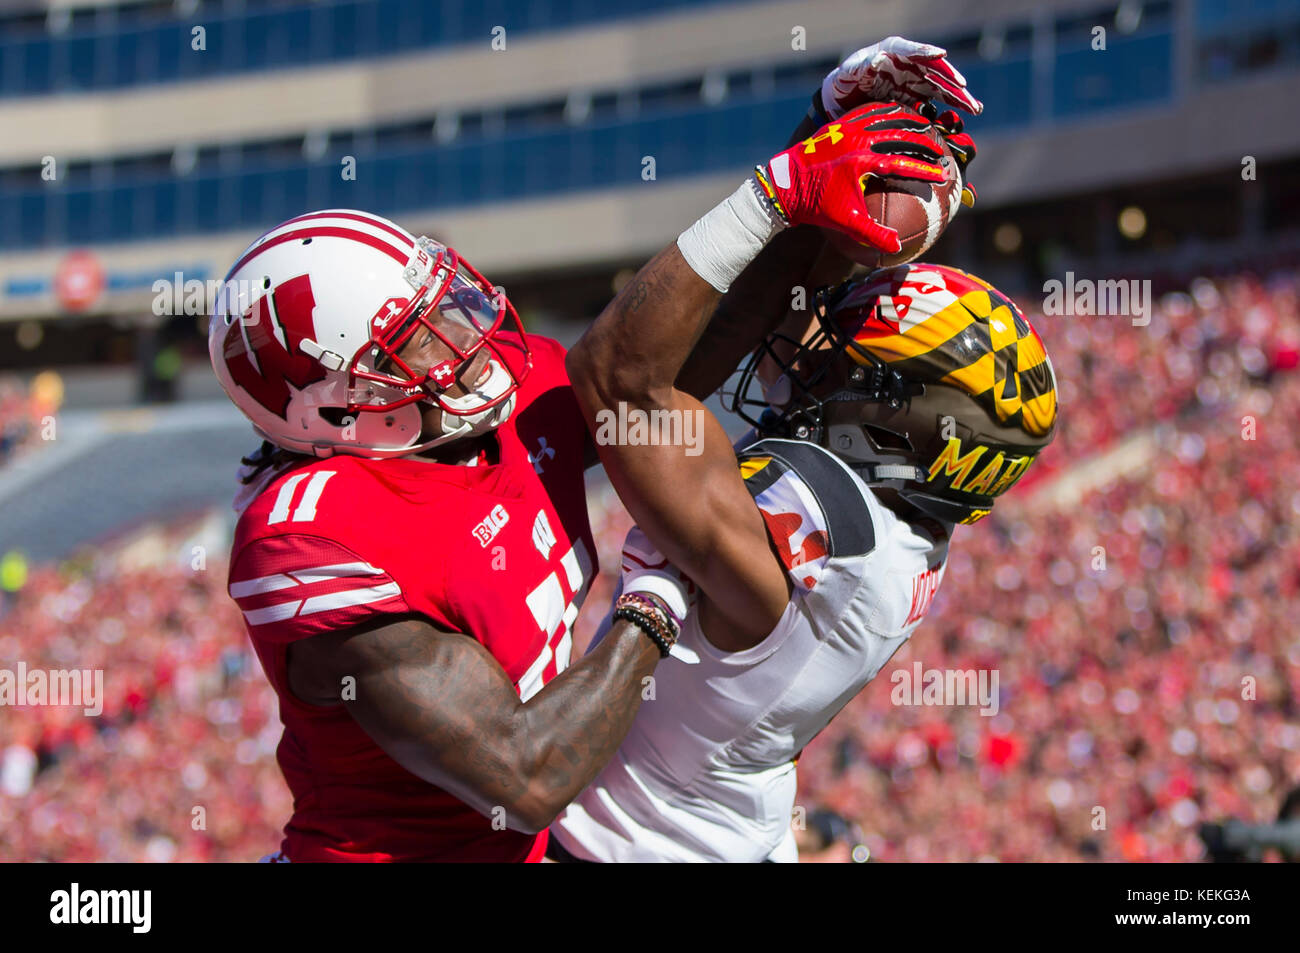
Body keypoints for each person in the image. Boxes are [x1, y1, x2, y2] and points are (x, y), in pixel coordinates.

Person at [207, 36, 958, 861]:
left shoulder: (487, 412)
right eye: (417, 337)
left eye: (444, 303)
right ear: (342, 404)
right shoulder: (314, 535)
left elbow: (660, 369)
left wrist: (811, 157)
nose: (463, 334)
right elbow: (524, 776)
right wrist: (656, 596)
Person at [549, 48, 1058, 862]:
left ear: (895, 420)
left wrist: (776, 190)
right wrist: (825, 134)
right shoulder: (903, 498)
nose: (814, 340)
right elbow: (785, 306)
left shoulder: (821, 528)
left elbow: (617, 378)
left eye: (847, 357)